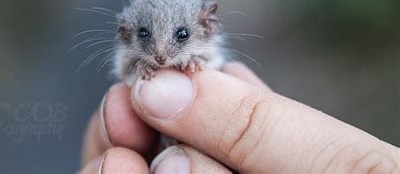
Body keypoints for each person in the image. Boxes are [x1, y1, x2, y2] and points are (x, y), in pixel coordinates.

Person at [79, 62, 399, 173]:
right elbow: (125, 72)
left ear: (205, 25)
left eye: (178, 35)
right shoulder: (133, 61)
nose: (161, 51)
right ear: (127, 31)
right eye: (147, 35)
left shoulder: (207, 57)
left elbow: (211, 62)